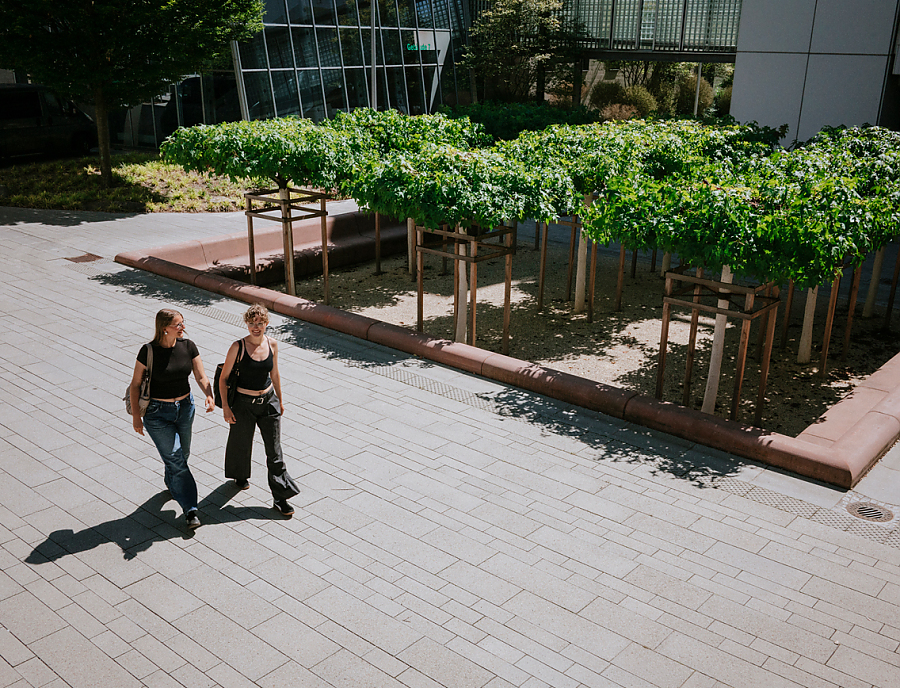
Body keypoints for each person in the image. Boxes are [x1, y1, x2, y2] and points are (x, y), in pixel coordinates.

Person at [129, 309, 215, 529]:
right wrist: (137, 418)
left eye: (182, 323)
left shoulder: (188, 346)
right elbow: (136, 385)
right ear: (164, 327)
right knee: (177, 459)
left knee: (182, 454)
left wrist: (209, 394)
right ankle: (191, 510)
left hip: (185, 408)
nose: (182, 328)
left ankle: (172, 481)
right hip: (157, 413)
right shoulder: (148, 351)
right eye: (178, 325)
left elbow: (200, 375)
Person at [220, 304, 300, 517]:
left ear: (266, 323)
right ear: (246, 323)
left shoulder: (272, 344)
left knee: (274, 451)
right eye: (252, 323)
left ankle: (280, 496)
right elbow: (223, 378)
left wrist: (280, 401)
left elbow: (275, 374)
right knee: (240, 441)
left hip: (268, 401)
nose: (256, 327)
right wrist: (226, 408)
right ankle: (239, 475)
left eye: (260, 323)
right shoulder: (237, 347)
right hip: (242, 404)